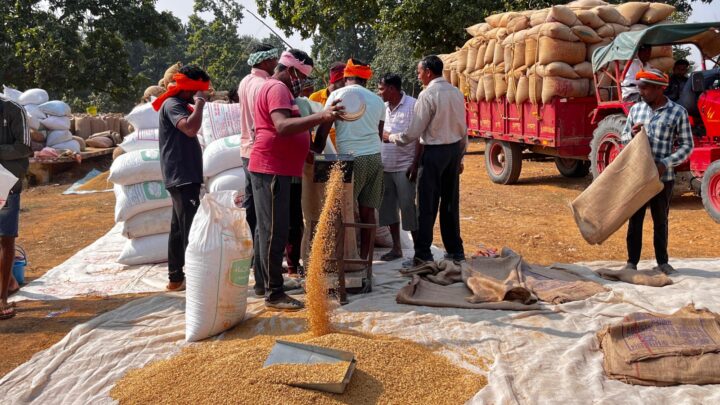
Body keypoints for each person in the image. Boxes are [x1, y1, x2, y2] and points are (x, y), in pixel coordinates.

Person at [250, 49, 343, 310]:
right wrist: (321, 116)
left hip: (283, 169)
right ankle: (273, 293)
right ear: (292, 71)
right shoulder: (277, 88)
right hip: (271, 168)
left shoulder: (286, 92)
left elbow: (313, 146)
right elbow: (281, 126)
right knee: (273, 233)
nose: (303, 83)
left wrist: (326, 120)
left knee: (278, 230)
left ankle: (271, 285)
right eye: (302, 77)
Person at [384, 55, 467, 265]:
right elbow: (463, 128)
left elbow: (414, 132)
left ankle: (422, 254)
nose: (418, 75)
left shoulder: (427, 94)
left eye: (419, 72)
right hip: (453, 151)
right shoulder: (456, 92)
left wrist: (392, 137)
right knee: (449, 203)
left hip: (434, 152)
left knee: (426, 204)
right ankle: (455, 250)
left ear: (428, 72)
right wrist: (460, 156)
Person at [621, 68, 694, 275]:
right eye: (639, 87)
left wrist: (665, 163)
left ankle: (662, 262)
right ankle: (631, 262)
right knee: (635, 220)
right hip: (639, 176)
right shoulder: (636, 110)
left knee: (660, 220)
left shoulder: (678, 112)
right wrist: (631, 136)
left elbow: (687, 146)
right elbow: (623, 137)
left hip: (664, 178)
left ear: (659, 89)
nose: (640, 91)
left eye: (644, 88)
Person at [315, 59, 386, 261]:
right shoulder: (378, 101)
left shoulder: (337, 96)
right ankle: (365, 260)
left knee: (341, 212)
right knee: (368, 212)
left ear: (346, 77)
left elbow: (322, 134)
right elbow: (378, 135)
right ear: (365, 79)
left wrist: (312, 150)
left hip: (349, 160)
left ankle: (342, 259)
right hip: (374, 157)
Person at [152, 64, 211, 291]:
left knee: (178, 227)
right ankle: (197, 280)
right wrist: (200, 103)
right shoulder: (173, 105)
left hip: (184, 174)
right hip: (182, 175)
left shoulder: (176, 104)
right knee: (190, 229)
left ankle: (175, 277)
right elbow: (189, 129)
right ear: (192, 88)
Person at [377, 73, 421, 262]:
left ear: (392, 89)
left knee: (408, 208)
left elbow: (420, 136)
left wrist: (415, 163)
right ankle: (397, 248)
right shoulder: (382, 108)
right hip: (385, 166)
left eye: (381, 88)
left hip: (405, 167)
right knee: (388, 209)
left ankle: (419, 250)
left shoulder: (413, 104)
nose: (379, 92)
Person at [0, 95, 32, 320]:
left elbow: (24, 147)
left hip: (6, 182)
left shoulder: (13, 110)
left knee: (5, 239)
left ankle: (2, 298)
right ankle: (9, 282)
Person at [309, 62, 346, 147]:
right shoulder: (315, 97)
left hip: (343, 149)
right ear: (335, 79)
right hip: (322, 150)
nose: (346, 83)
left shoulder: (347, 97)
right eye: (343, 80)